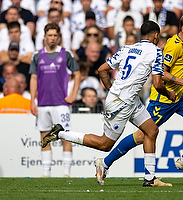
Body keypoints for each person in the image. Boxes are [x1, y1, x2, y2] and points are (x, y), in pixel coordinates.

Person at [41, 20, 175, 187]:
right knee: (104, 145)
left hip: (128, 99)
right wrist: (169, 93)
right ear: (156, 35)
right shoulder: (156, 51)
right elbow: (157, 84)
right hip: (122, 103)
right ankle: (60, 133)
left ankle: (150, 179)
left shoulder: (127, 48)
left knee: (152, 131)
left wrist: (111, 89)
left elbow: (102, 69)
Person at [92, 12, 183, 184]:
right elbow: (161, 73)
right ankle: (105, 163)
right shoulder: (174, 46)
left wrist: (182, 86)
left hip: (179, 97)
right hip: (163, 100)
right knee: (142, 136)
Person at [29, 23, 81, 178]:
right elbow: (33, 77)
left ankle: (66, 173)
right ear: (44, 37)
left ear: (59, 37)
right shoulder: (37, 55)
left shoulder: (66, 54)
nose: (52, 38)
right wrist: (32, 100)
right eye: (49, 35)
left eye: (55, 35)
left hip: (61, 104)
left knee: (65, 136)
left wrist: (73, 94)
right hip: (43, 103)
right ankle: (46, 174)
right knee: (44, 137)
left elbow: (77, 74)